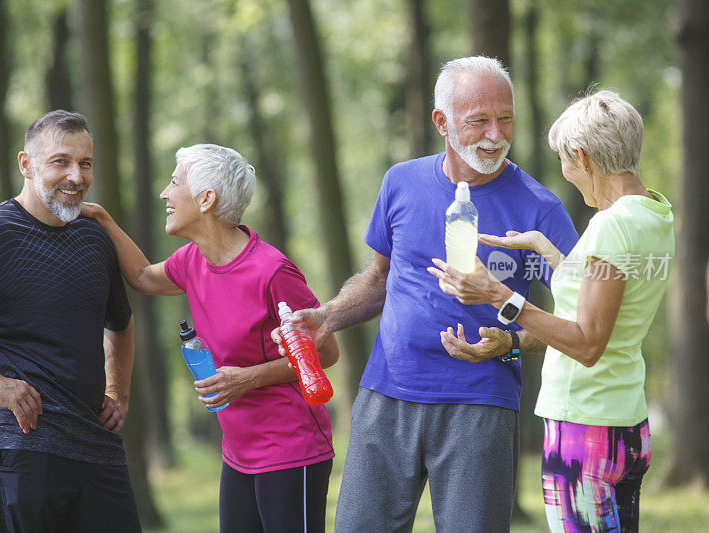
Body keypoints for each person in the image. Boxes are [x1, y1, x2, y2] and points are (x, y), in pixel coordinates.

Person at [274, 56, 579, 532]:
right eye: (479, 120)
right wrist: (328, 316)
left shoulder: (539, 207)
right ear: (441, 122)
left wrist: (512, 342)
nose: (496, 135)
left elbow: (580, 327)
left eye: (506, 118)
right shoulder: (401, 182)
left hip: (480, 403)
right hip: (385, 396)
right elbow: (379, 279)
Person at [429, 90, 674, 531]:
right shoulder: (655, 213)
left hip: (584, 431)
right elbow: (607, 295)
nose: (566, 171)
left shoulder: (610, 226)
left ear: (582, 157)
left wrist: (499, 295)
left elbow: (587, 342)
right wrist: (544, 248)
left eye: (565, 159)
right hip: (627, 428)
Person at [80, 143, 339, 533]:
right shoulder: (191, 259)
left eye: (173, 183)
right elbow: (143, 277)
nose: (164, 194)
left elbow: (326, 351)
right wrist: (103, 220)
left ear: (206, 199)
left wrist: (246, 378)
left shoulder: (271, 271)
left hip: (291, 449)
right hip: (238, 452)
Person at [0, 110, 141, 532]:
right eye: (60, 161)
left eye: (85, 163)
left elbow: (120, 323)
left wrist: (117, 391)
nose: (76, 175)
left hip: (95, 444)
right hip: (14, 442)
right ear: (25, 164)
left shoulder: (95, 238)